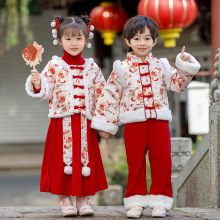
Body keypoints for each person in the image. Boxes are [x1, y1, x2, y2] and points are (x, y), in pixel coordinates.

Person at [91, 15, 200, 218]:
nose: (142, 43)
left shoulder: (162, 65)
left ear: (155, 40)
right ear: (128, 41)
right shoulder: (120, 69)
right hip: (133, 124)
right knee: (136, 163)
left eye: (147, 38)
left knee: (162, 162)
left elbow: (177, 85)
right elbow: (110, 96)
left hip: (159, 123)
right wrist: (106, 125)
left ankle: (160, 201)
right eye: (137, 38)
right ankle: (136, 200)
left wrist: (184, 65)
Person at [25, 15, 108, 217]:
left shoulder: (93, 68)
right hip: (61, 123)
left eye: (79, 38)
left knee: (85, 161)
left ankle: (84, 200)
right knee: (62, 161)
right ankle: (65, 200)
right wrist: (37, 82)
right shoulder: (54, 66)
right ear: (59, 40)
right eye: (68, 39)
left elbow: (103, 96)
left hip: (85, 124)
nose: (74, 43)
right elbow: (46, 90)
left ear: (86, 41)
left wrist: (105, 123)